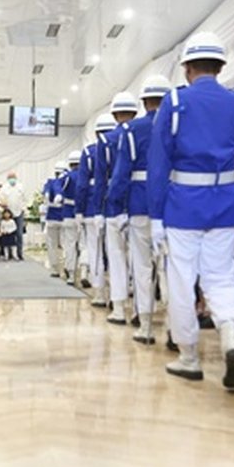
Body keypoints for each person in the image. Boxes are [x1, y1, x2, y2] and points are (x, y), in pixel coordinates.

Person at [148, 32, 234, 390]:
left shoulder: (173, 102)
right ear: (221, 66)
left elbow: (159, 164)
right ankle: (231, 338)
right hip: (225, 200)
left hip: (183, 204)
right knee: (222, 276)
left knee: (181, 279)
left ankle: (189, 356)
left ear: (187, 67)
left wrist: (156, 217)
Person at [107, 75, 171, 342]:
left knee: (142, 267)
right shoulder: (176, 125)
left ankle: (145, 326)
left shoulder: (132, 130)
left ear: (144, 102)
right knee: (173, 269)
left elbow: (121, 175)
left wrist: (115, 205)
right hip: (173, 202)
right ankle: (174, 329)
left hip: (140, 203)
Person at [101, 93, 139, 325]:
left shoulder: (106, 141)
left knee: (116, 258)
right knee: (141, 262)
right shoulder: (149, 131)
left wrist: (107, 202)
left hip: (116, 206)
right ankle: (140, 311)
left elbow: (113, 175)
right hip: (141, 203)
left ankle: (118, 308)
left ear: (115, 114)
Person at [82, 114, 116, 306]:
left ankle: (99, 293)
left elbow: (83, 185)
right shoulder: (122, 142)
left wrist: (83, 210)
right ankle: (117, 294)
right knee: (117, 253)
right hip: (122, 204)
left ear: (96, 133)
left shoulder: (89, 153)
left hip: (95, 206)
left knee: (95, 251)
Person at [61, 150, 82, 285]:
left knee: (70, 244)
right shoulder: (86, 175)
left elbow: (58, 188)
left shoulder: (67, 176)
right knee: (85, 245)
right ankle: (86, 272)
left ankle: (71, 273)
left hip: (69, 213)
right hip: (84, 213)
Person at [44, 160, 67, 277]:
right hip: (65, 216)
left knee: (52, 244)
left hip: (52, 216)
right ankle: (67, 266)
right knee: (66, 244)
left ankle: (54, 268)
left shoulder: (50, 182)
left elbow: (46, 196)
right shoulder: (69, 180)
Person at [0, 170, 27, 260]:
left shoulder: (21, 187)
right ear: (7, 179)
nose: (12, 179)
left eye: (13, 177)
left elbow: (25, 199)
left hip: (19, 213)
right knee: (7, 234)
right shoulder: (4, 188)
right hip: (8, 214)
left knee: (19, 234)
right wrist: (2, 207)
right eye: (10, 178)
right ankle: (8, 254)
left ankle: (19, 253)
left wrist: (23, 210)